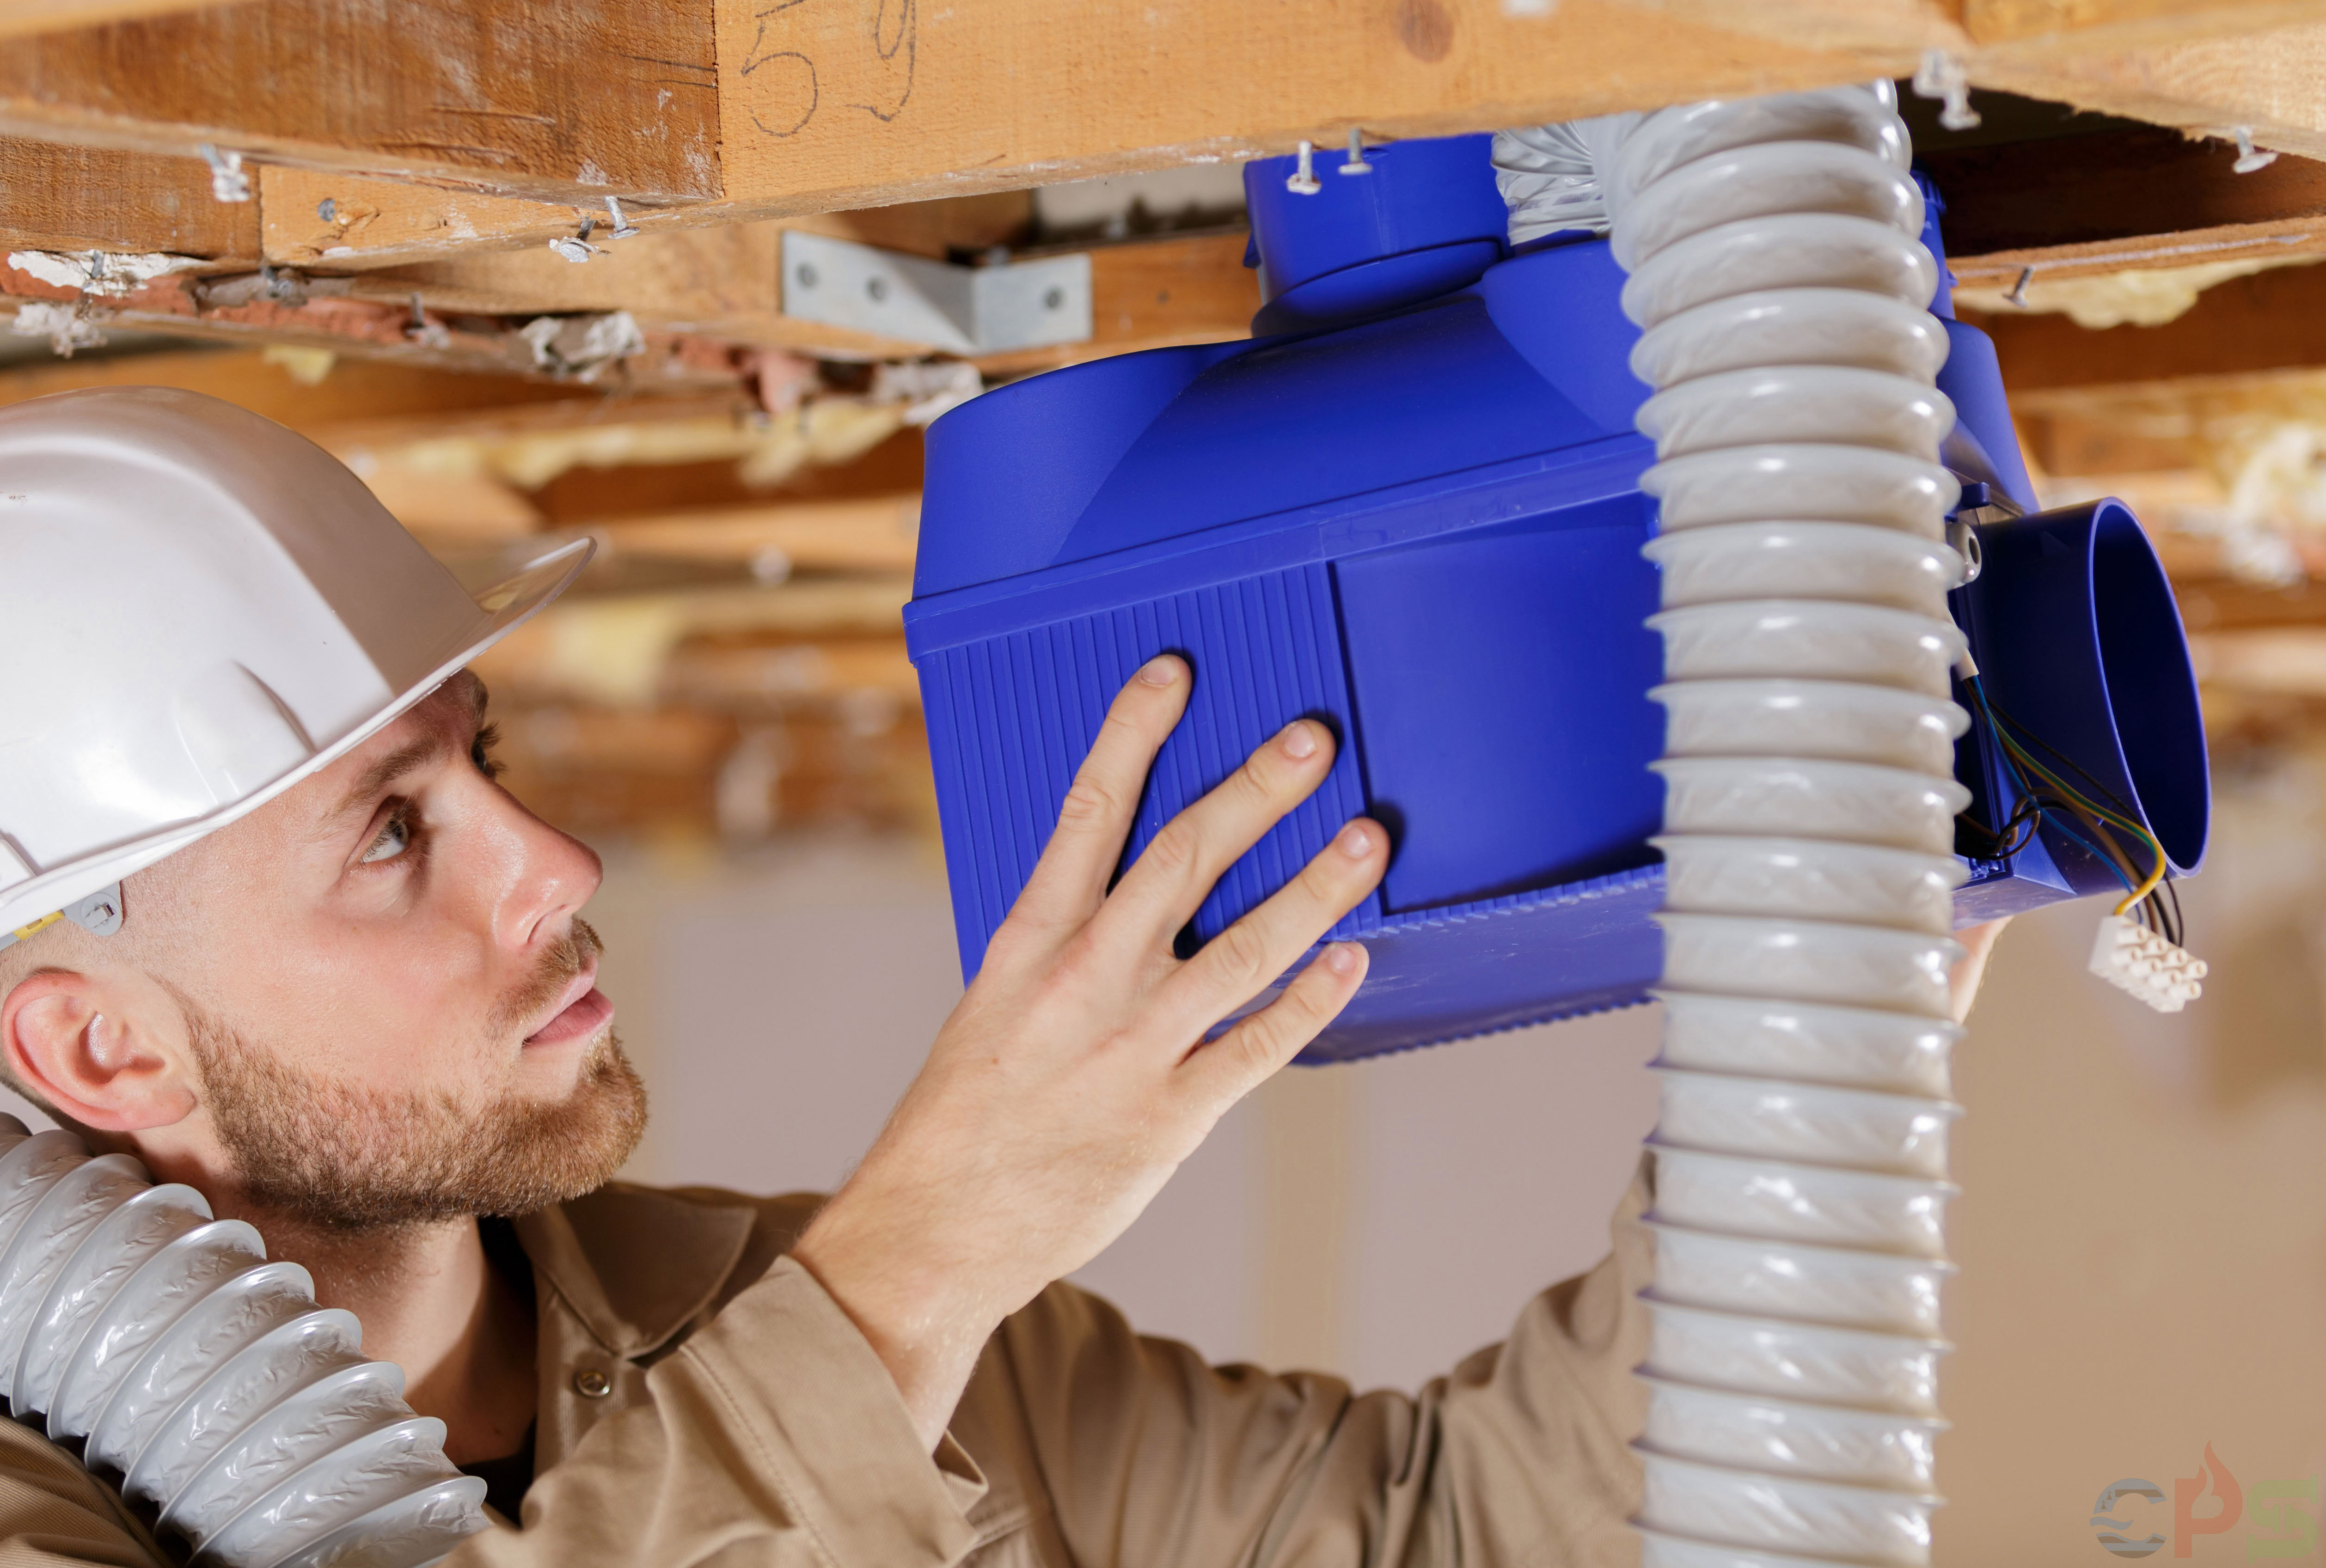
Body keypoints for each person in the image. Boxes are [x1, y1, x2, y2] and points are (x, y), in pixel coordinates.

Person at [0, 388, 2006, 1566]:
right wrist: (921, 1264)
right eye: (389, 837)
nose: (555, 864)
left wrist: (1849, 991)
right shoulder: (874, 1321)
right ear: (98, 1045)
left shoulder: (796, 1329)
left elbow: (1470, 1538)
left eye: (486, 767)